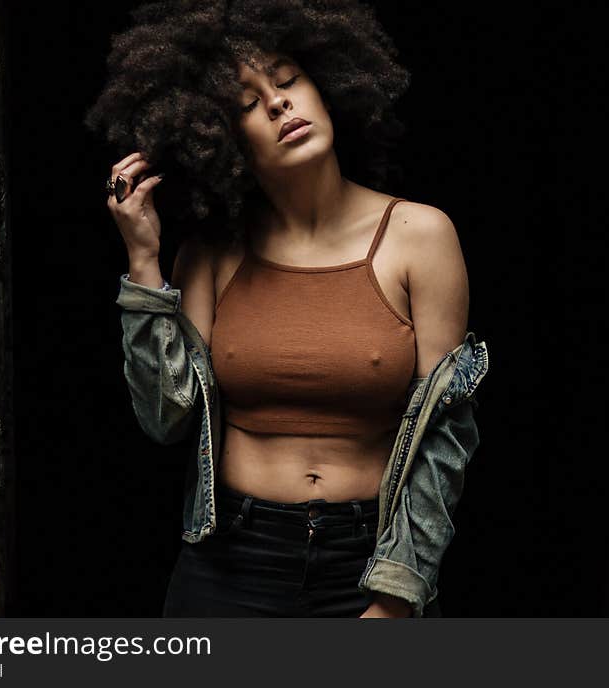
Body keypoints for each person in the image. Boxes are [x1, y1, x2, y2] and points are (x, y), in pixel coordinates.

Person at [85, 0, 489, 618]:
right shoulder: (213, 256)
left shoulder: (420, 235)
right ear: (218, 137)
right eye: (247, 104)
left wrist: (397, 596)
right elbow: (166, 417)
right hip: (228, 562)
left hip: (370, 562)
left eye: (287, 79)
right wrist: (144, 264)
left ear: (326, 87)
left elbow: (445, 436)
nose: (277, 104)